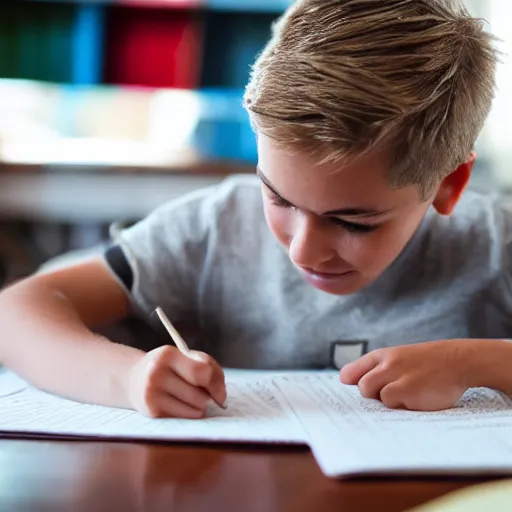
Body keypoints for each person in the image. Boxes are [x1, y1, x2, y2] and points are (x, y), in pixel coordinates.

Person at [0, 0, 506, 418]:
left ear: (447, 184)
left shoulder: (494, 244)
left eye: (353, 221)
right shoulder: (215, 229)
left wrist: (475, 361)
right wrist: (127, 378)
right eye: (277, 197)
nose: (303, 249)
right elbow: (14, 313)